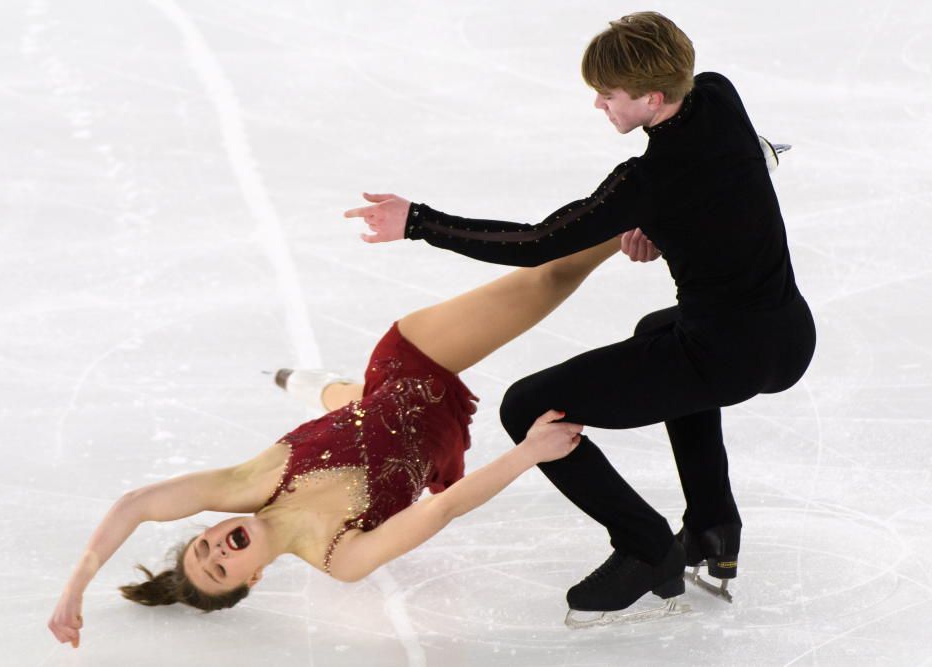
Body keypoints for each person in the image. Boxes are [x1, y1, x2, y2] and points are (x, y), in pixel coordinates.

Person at [344, 11, 816, 626]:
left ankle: (646, 547)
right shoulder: (719, 96)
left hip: (725, 355)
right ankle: (712, 528)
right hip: (788, 335)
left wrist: (418, 222)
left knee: (527, 406)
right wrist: (666, 226)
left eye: (609, 94)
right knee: (658, 331)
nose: (598, 103)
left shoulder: (647, 180)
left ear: (651, 97)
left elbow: (539, 243)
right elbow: (740, 167)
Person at [47, 238, 635, 648]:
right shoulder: (341, 558)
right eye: (222, 569)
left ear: (206, 527)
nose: (217, 553)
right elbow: (443, 507)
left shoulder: (247, 483)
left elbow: (134, 504)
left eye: (204, 549)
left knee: (546, 279)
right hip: (420, 428)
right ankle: (315, 386)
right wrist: (527, 452)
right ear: (251, 580)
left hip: (409, 364)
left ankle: (639, 220)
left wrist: (74, 590)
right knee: (353, 407)